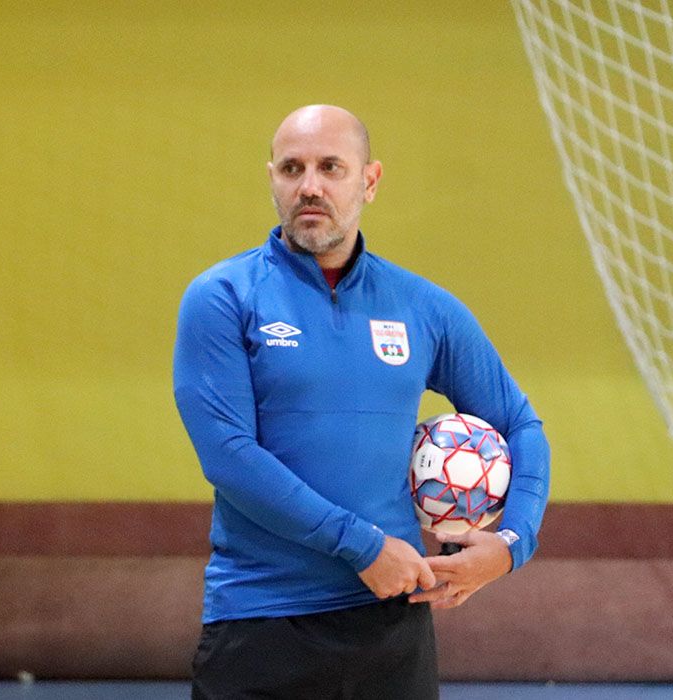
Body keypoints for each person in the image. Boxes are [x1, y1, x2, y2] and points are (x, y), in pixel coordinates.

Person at [173, 104, 550, 699]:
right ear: (272, 179)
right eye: (292, 169)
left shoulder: (423, 307)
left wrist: (511, 545)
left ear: (369, 181)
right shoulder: (222, 297)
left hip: (392, 628)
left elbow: (520, 423)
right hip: (260, 623)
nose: (310, 186)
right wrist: (363, 546)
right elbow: (228, 455)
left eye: (331, 167)